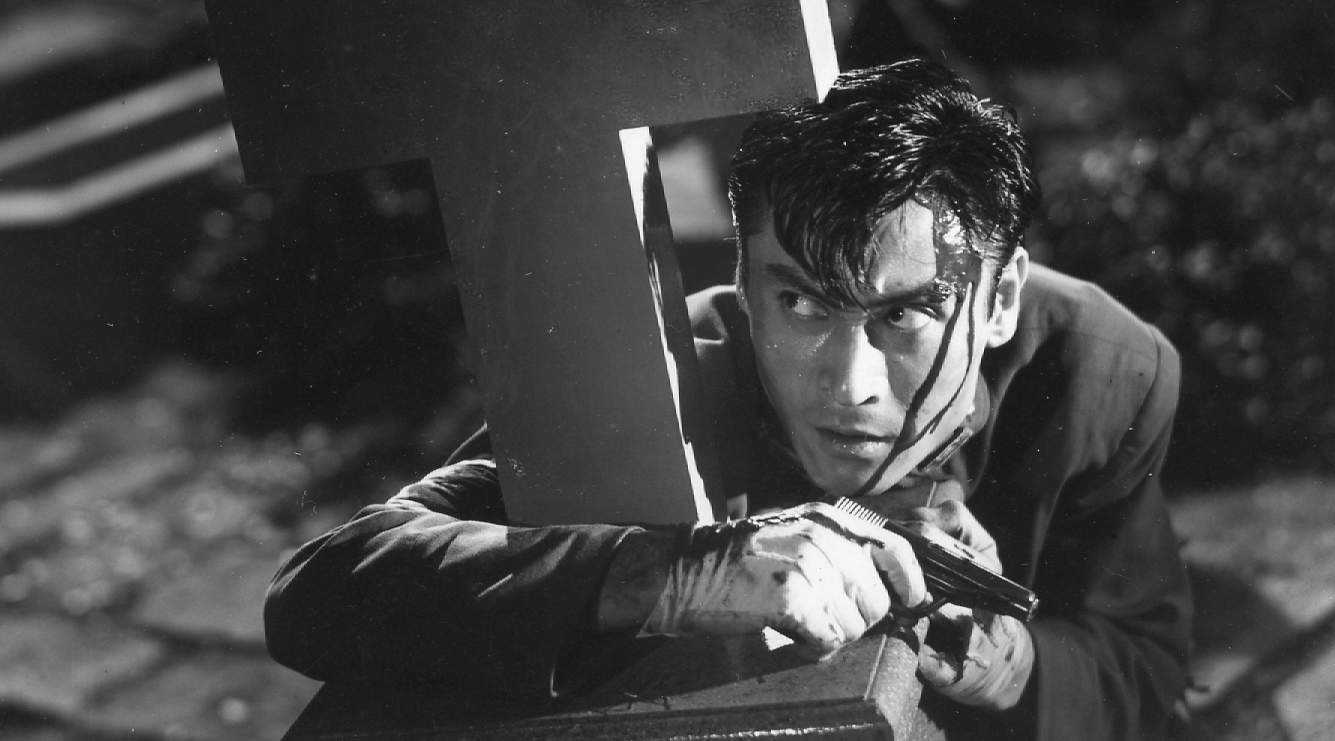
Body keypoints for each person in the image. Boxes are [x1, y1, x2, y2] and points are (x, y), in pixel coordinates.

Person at [265, 60, 1192, 740]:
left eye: (905, 315)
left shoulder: (1103, 372)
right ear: (744, 282)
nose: (847, 385)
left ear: (1000, 298)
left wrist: (1009, 667)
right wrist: (678, 576)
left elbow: (1145, 669)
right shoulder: (672, 373)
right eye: (800, 305)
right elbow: (324, 588)